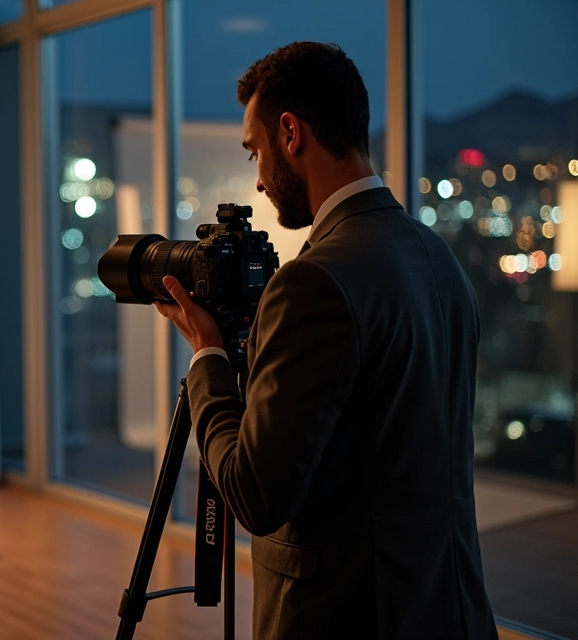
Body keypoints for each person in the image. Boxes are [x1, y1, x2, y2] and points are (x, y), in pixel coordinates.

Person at [153, 43, 497, 639]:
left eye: (255, 151)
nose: (259, 180)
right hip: (450, 609)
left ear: (290, 133)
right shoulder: (438, 257)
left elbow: (256, 495)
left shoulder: (313, 281)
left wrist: (208, 355)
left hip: (346, 617)